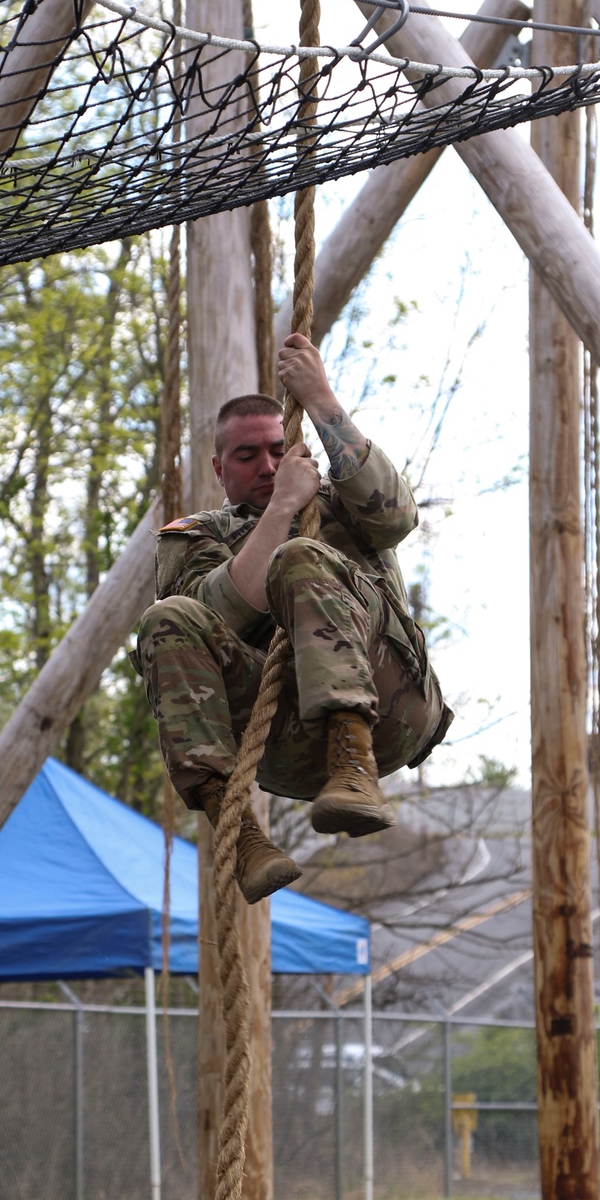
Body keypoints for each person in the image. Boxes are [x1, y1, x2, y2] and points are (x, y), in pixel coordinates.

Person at [131, 333, 452, 904]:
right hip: (282, 743)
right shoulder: (196, 538)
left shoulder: (340, 500)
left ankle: (352, 760)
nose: (267, 465)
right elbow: (216, 616)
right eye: (247, 455)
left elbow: (399, 517)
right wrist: (280, 508)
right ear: (219, 468)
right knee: (166, 618)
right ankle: (241, 831)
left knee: (302, 556)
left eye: (278, 449)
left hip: (390, 706)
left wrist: (321, 398)